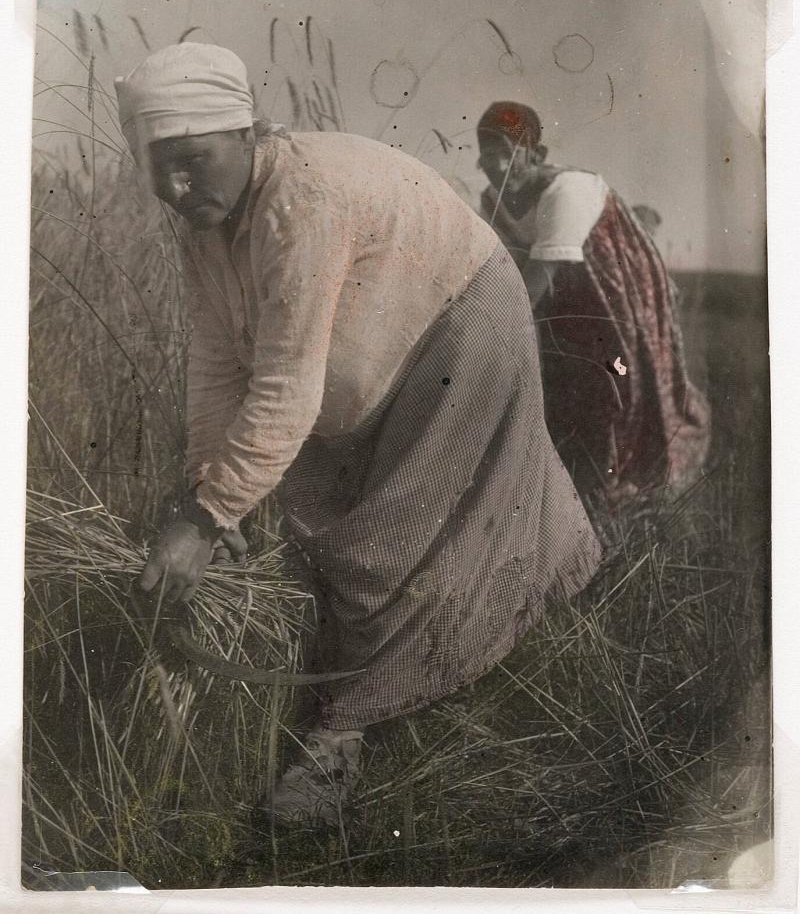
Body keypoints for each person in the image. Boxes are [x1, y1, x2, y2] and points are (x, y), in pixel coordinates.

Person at [114, 46, 602, 829]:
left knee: (392, 537)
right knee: (319, 518)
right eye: (159, 167)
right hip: (388, 344)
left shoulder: (299, 196)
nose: (176, 187)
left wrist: (205, 518)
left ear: (244, 135)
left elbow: (286, 383)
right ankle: (401, 669)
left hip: (460, 321)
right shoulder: (205, 228)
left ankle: (338, 739)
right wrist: (212, 487)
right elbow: (213, 367)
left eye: (194, 162)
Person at [476, 101, 710, 507]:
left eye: (507, 151)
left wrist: (490, 332)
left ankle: (628, 478)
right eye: (487, 152)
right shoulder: (492, 198)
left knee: (621, 377)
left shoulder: (568, 189)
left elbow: (537, 277)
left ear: (535, 153)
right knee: (562, 382)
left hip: (612, 291)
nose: (497, 164)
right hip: (562, 295)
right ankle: (573, 477)